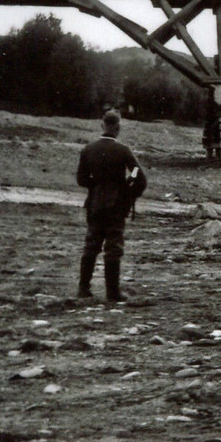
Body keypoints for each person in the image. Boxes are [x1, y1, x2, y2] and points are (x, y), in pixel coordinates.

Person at [76, 110, 146, 302]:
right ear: (118, 127)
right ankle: (112, 293)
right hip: (116, 204)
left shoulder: (88, 149)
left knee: (91, 245)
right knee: (113, 247)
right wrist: (127, 186)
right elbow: (137, 175)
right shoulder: (123, 150)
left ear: (102, 125)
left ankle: (83, 289)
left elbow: (81, 180)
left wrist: (97, 184)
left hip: (95, 204)